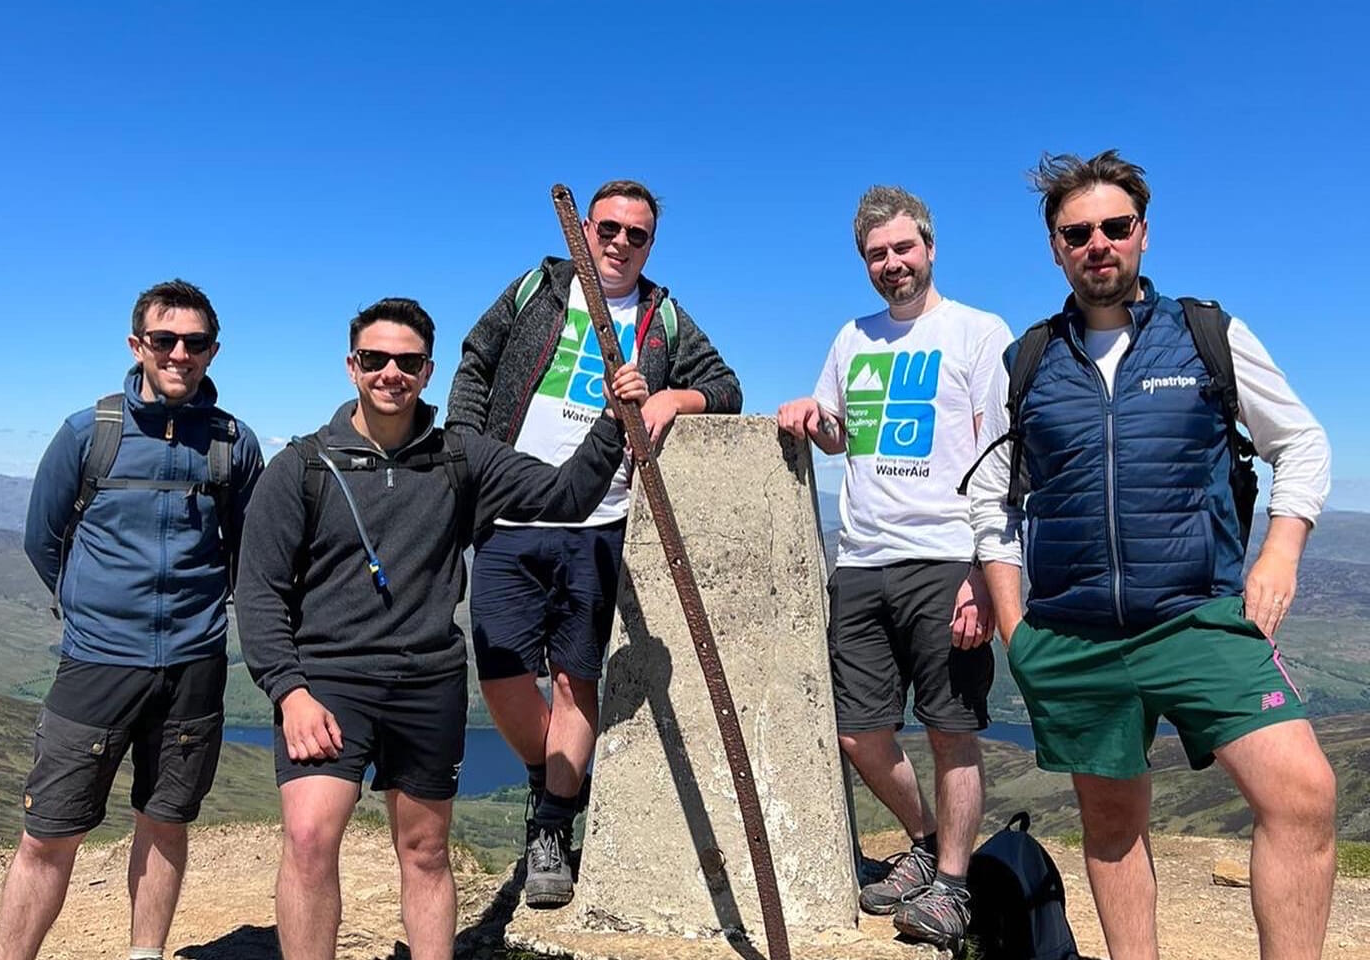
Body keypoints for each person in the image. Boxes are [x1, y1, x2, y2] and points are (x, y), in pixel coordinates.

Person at [968, 150, 1335, 960]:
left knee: (1303, 795)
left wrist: (1280, 554)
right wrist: (1012, 625)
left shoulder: (1207, 335)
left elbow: (1302, 442)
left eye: (1115, 226)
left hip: (1198, 617)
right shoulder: (1027, 363)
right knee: (1110, 825)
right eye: (1077, 232)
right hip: (1070, 635)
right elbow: (991, 496)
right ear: (1056, 248)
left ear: (1142, 232)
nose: (1097, 243)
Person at [235, 297, 647, 960]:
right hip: (328, 683)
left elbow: (567, 498)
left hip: (427, 682)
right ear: (352, 367)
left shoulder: (461, 456)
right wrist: (289, 691)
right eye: (375, 359)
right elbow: (258, 591)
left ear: (429, 371)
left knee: (425, 850)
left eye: (407, 361)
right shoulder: (303, 467)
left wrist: (611, 420)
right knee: (311, 840)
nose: (390, 372)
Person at [445, 179, 741, 907]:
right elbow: (475, 363)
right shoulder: (537, 288)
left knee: (578, 680)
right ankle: (560, 784)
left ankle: (549, 828)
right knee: (504, 677)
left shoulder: (662, 316)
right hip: (511, 517)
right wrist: (469, 450)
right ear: (583, 227)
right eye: (607, 229)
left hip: (602, 524)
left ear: (650, 244)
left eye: (635, 235)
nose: (618, 244)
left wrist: (674, 397)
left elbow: (726, 386)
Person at [0, 280, 264, 960]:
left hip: (193, 667)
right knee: (49, 834)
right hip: (96, 664)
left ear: (213, 350)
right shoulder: (91, 434)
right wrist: (90, 610)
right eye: (164, 340)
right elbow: (42, 539)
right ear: (136, 344)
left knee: (166, 821)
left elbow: (248, 552)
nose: (179, 353)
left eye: (194, 342)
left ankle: (147, 955)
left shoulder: (233, 444)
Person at [778, 186, 1011, 949]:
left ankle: (951, 887)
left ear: (931, 247)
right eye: (876, 254)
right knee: (859, 732)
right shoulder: (853, 337)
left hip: (946, 558)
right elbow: (838, 434)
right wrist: (809, 419)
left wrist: (984, 570)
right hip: (862, 559)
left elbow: (1000, 457)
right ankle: (924, 841)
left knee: (951, 730)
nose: (891, 264)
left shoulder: (978, 333)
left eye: (902, 248)